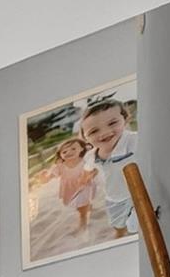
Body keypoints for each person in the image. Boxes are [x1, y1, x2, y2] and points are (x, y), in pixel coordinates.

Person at [79, 97, 138, 238]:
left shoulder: (134, 140)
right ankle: (119, 233)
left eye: (112, 123)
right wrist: (86, 177)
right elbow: (88, 169)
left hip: (140, 193)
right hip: (114, 196)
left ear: (125, 119)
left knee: (138, 224)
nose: (104, 133)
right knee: (117, 223)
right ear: (85, 138)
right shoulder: (91, 156)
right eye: (94, 131)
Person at [40, 136, 98, 233]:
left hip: (83, 188)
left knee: (81, 209)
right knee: (79, 205)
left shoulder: (84, 162)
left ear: (81, 149)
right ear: (61, 155)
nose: (69, 152)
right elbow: (50, 176)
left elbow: (95, 170)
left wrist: (90, 176)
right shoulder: (61, 166)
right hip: (70, 190)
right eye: (64, 152)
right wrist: (44, 177)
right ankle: (87, 208)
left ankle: (82, 226)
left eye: (73, 149)